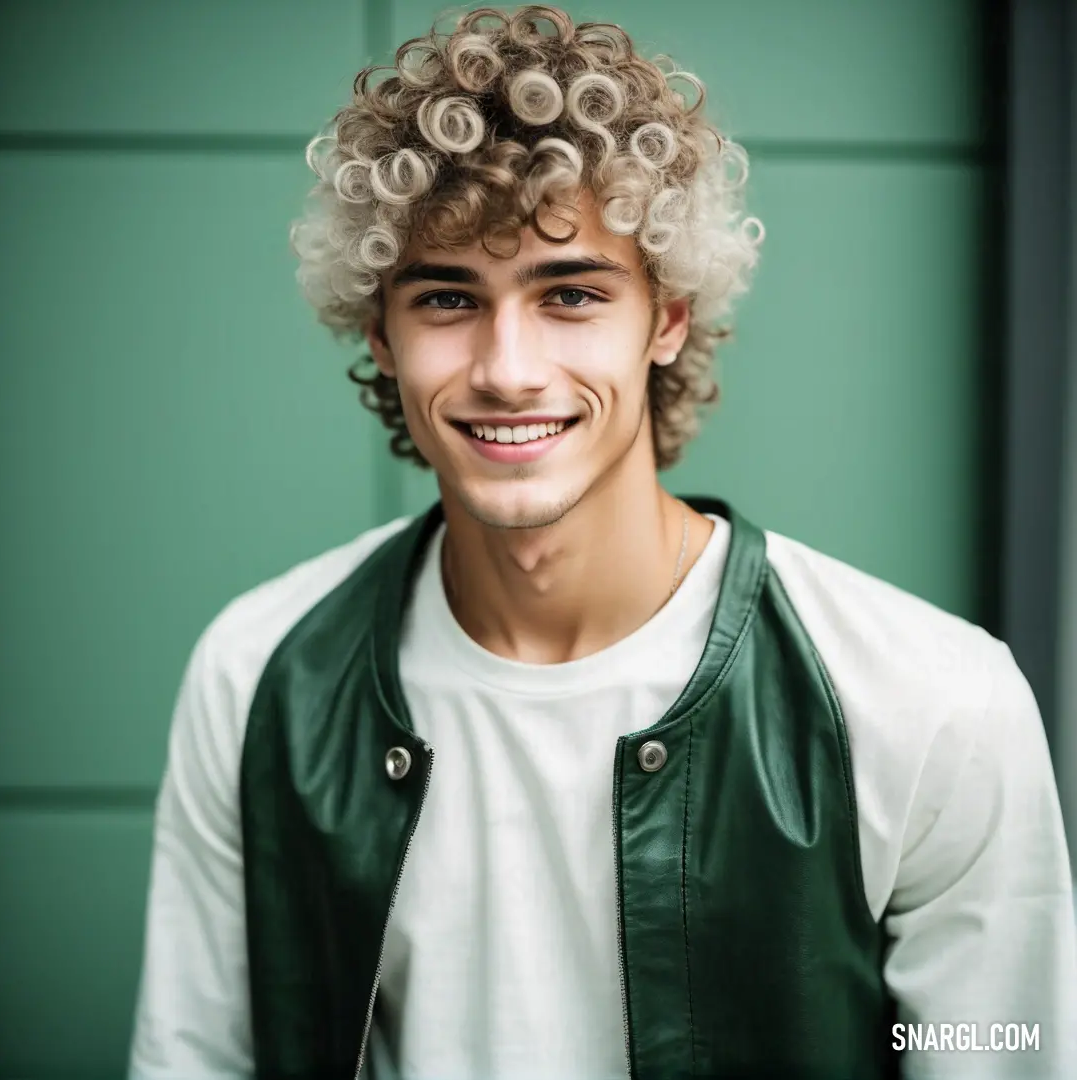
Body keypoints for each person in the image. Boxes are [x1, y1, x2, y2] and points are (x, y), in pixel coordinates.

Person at [128, 6, 1077, 1079]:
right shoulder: (258, 678)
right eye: (447, 297)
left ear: (666, 316)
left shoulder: (933, 701)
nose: (507, 367)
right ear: (381, 331)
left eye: (570, 291)